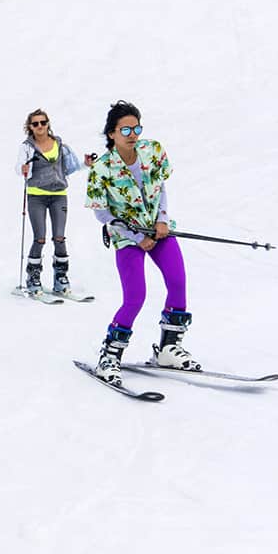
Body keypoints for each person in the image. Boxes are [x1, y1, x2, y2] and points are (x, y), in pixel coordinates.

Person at [84, 100, 196, 383]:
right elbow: (101, 213)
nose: (133, 134)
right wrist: (136, 236)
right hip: (127, 237)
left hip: (158, 230)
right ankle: (109, 356)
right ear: (112, 133)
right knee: (135, 297)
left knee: (178, 281)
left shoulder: (152, 150)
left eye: (136, 128)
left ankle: (169, 348)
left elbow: (161, 187)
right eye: (125, 130)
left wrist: (162, 219)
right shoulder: (102, 168)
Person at [15, 109, 91, 294]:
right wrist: (23, 168)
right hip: (36, 196)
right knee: (39, 238)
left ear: (48, 123)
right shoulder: (27, 147)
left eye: (43, 122)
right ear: (30, 127)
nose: (40, 126)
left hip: (58, 194)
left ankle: (61, 278)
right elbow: (19, 169)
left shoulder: (59, 144)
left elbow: (70, 167)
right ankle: (33, 278)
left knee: (59, 237)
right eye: (35, 124)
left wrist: (85, 164)